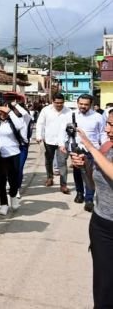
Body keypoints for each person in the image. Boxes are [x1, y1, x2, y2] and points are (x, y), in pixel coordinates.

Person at [70, 112, 113, 308]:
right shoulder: (107, 147)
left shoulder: (99, 148)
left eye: (112, 125)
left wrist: (89, 146)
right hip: (102, 225)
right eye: (107, 124)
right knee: (104, 288)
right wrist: (84, 165)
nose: (107, 130)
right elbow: (94, 185)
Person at [61, 94, 107, 212]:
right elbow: (63, 131)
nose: (83, 106)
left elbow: (102, 133)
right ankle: (79, 193)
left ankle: (89, 199)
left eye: (86, 104)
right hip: (76, 149)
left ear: (91, 104)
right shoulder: (70, 115)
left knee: (89, 174)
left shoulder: (98, 117)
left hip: (92, 150)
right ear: (77, 103)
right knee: (77, 173)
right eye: (81, 104)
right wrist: (62, 144)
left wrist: (104, 147)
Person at [36, 93, 72, 192]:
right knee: (48, 160)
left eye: (61, 103)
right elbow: (40, 124)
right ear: (52, 101)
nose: (59, 105)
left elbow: (70, 127)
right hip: (49, 140)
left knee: (62, 163)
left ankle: (63, 185)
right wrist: (39, 136)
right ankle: (49, 178)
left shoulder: (69, 111)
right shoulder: (46, 110)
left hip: (63, 142)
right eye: (57, 103)